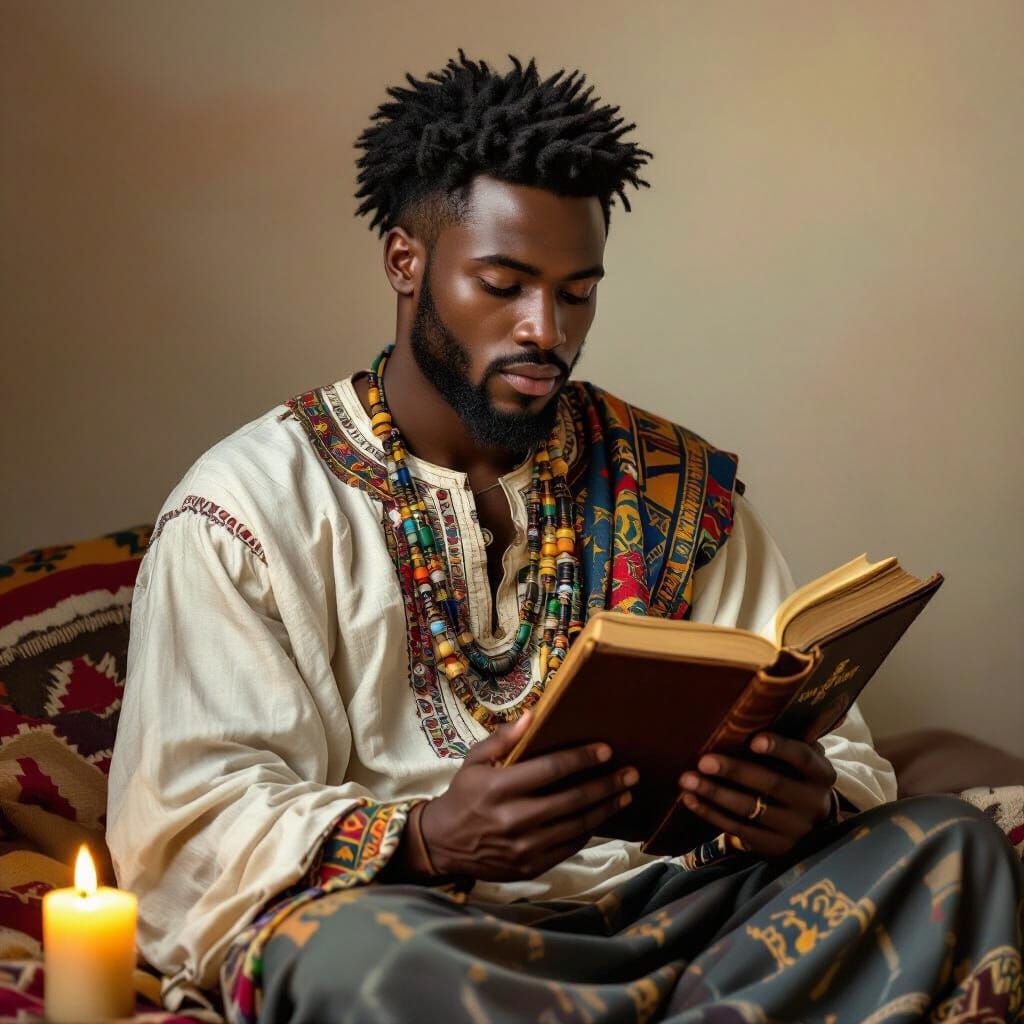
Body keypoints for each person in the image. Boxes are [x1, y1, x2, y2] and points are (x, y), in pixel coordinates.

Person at [107, 52, 1022, 1024]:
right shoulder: (247, 507)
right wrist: (426, 837)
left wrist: (805, 800)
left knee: (949, 848)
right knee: (337, 958)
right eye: (503, 282)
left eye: (576, 292)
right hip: (438, 933)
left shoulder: (672, 483)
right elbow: (189, 826)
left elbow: (842, 751)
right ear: (405, 261)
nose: (545, 328)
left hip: (693, 914)